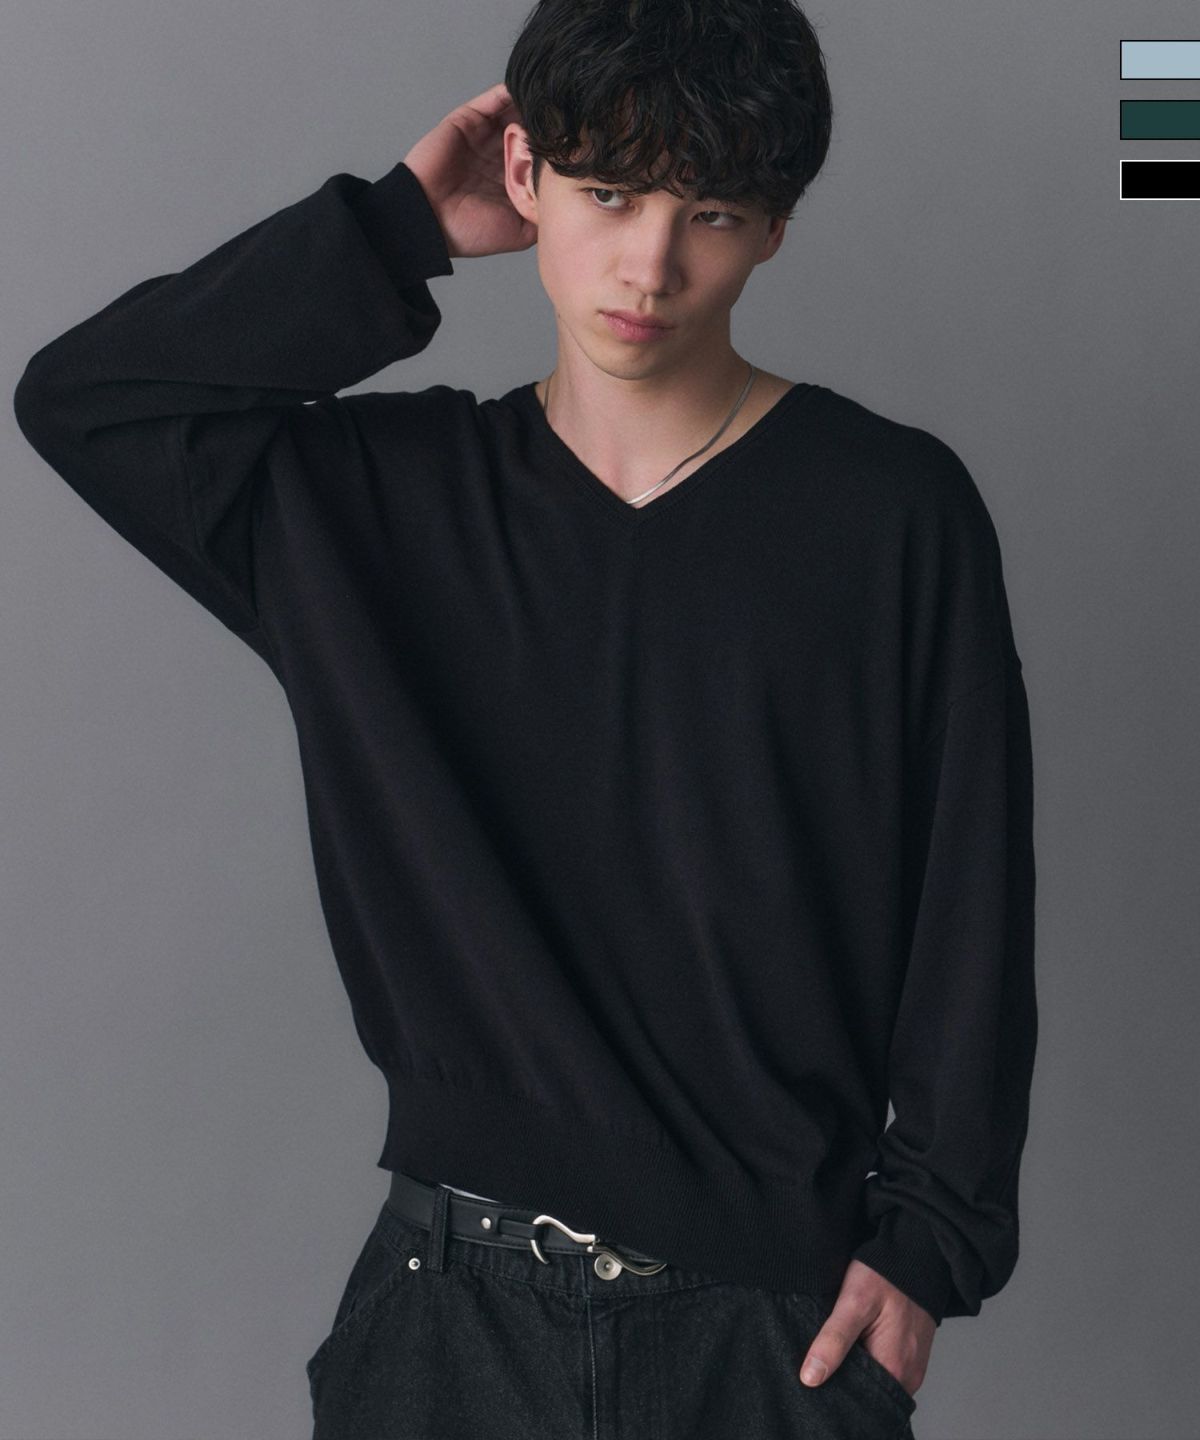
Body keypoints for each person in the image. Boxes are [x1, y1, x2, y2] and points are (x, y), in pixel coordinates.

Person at [12, 0, 1037, 1435]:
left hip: (768, 1329)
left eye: (710, 212)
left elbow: (970, 897)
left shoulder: (890, 514)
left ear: (774, 229)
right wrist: (392, 231)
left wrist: (930, 1241)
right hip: (444, 1321)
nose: (650, 265)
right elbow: (86, 399)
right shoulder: (366, 509)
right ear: (525, 175)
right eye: (608, 191)